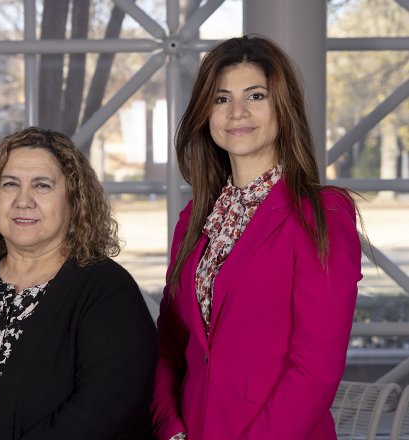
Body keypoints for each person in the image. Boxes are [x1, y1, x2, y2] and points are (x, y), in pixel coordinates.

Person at [150, 35, 363, 439]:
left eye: (256, 95)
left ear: (283, 108)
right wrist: (170, 428)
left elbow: (315, 370)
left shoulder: (323, 214)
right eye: (221, 99)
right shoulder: (194, 220)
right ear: (205, 113)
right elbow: (169, 351)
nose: (238, 113)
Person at [0, 127, 158, 440]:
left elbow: (101, 416)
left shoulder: (108, 293)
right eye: (10, 184)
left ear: (74, 201)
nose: (22, 200)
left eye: (42, 185)